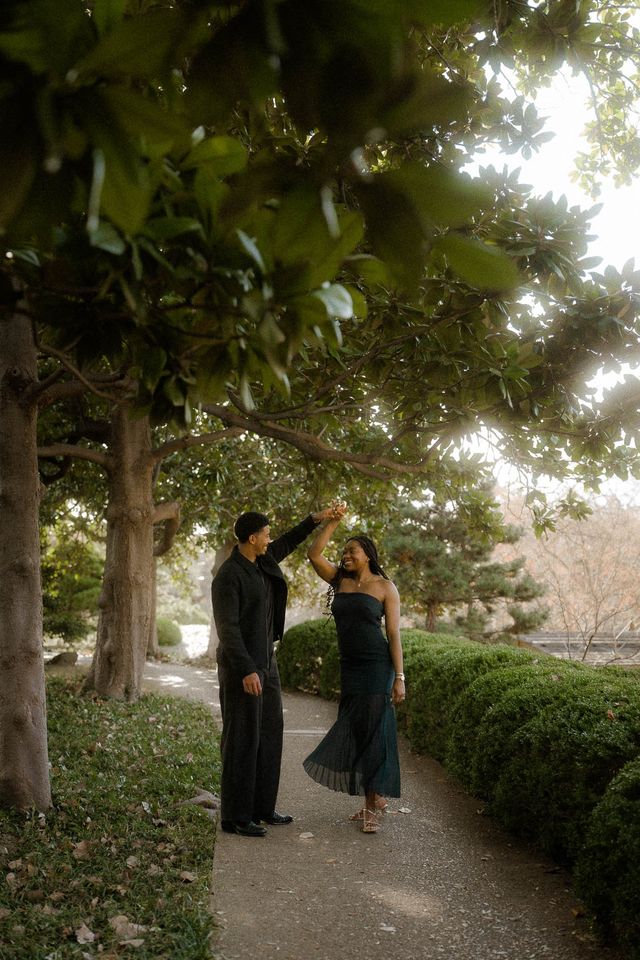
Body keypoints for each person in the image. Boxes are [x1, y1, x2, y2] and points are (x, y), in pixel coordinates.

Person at [212, 505, 341, 837]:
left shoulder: (263, 560)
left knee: (270, 734)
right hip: (242, 668)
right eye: (266, 534)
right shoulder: (228, 576)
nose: (270, 539)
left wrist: (316, 519)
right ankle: (236, 817)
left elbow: (289, 541)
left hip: (267, 662)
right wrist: (246, 670)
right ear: (252, 538)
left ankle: (262, 808)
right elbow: (228, 630)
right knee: (242, 738)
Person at [303, 511, 405, 833]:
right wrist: (331, 522)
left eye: (353, 551)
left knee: (373, 732)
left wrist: (399, 677)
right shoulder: (339, 581)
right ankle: (376, 799)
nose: (346, 556)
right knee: (358, 730)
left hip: (377, 666)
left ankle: (369, 808)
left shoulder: (386, 588)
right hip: (349, 667)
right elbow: (313, 554)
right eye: (344, 552)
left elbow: (394, 635)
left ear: (368, 555)